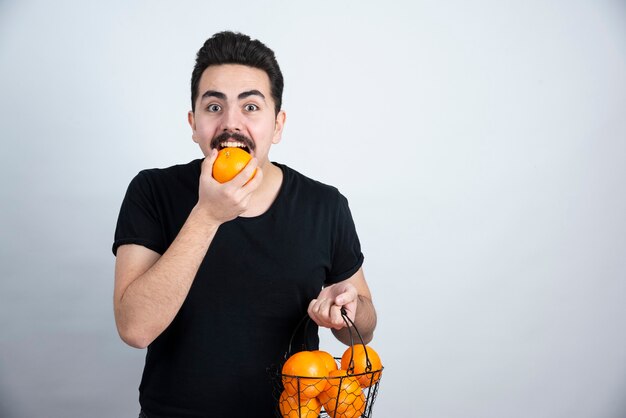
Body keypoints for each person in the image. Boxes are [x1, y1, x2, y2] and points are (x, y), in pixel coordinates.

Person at [112, 31, 377, 418]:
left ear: (278, 123)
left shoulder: (325, 205)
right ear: (193, 122)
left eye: (250, 107)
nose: (230, 124)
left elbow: (365, 327)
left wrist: (349, 310)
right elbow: (134, 328)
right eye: (214, 107)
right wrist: (206, 215)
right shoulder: (152, 191)